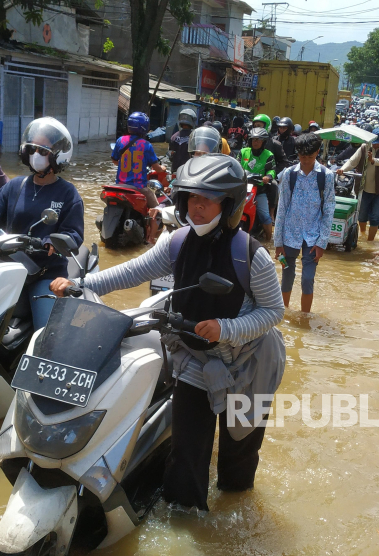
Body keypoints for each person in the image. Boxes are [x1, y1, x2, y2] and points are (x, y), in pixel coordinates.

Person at [49, 154, 285, 513]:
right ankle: (187, 525)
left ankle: (234, 520)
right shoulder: (175, 242)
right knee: (185, 456)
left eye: (207, 199)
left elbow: (273, 312)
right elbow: (129, 272)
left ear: (230, 203)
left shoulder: (251, 255)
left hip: (250, 364)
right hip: (197, 359)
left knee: (239, 458)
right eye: (192, 197)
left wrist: (228, 328)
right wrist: (79, 284)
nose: (197, 206)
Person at [0, 117, 83, 331]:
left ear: (58, 156)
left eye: (43, 151)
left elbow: (73, 234)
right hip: (9, 269)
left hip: (45, 273)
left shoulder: (67, 193)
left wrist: (51, 243)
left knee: (45, 335)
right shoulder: (15, 186)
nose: (36, 155)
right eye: (32, 149)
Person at [274, 133, 335, 314]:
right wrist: (278, 243)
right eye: (302, 157)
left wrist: (322, 242)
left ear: (317, 152)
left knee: (308, 279)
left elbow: (329, 209)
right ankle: (282, 315)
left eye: (309, 157)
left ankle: (305, 319)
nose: (305, 161)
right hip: (288, 236)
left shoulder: (326, 176)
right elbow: (282, 208)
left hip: (313, 238)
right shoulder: (288, 174)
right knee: (286, 275)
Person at [111, 111, 166, 241]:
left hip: (118, 186)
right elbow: (156, 168)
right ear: (144, 127)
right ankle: (151, 238)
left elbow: (114, 161)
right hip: (138, 187)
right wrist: (163, 168)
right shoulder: (146, 145)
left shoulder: (120, 140)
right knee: (156, 209)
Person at [337, 128, 379, 241]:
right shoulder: (364, 147)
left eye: (378, 143)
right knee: (361, 216)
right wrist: (342, 169)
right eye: (374, 143)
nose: (376, 145)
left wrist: (372, 160)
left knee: (375, 217)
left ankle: (370, 241)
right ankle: (363, 236)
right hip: (363, 189)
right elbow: (352, 161)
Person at [240, 127, 277, 240]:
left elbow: (272, 169)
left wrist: (268, 176)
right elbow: (235, 164)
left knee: (265, 216)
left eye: (258, 140)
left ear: (263, 142)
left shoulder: (268, 155)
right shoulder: (243, 152)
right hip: (241, 189)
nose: (255, 142)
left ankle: (269, 240)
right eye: (253, 139)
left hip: (259, 190)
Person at [168, 108, 197, 173]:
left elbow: (170, 155)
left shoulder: (174, 137)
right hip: (188, 172)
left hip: (175, 170)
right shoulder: (194, 137)